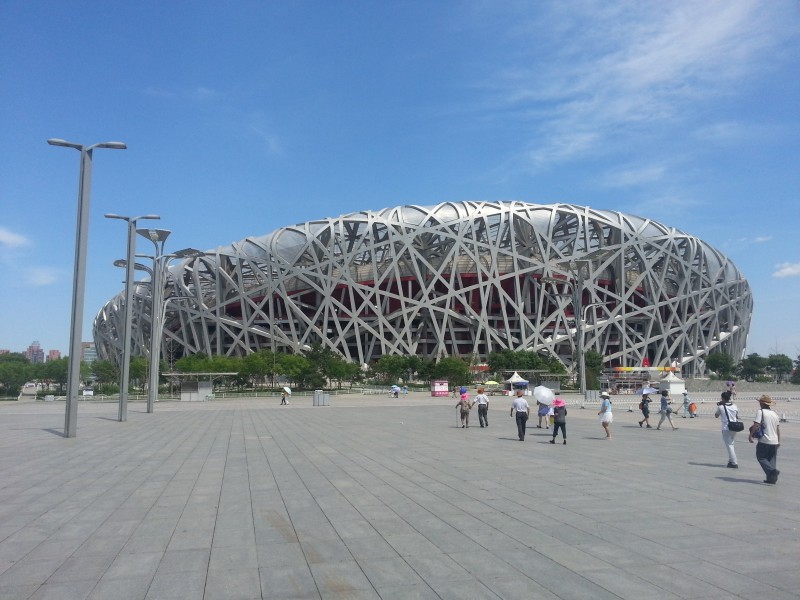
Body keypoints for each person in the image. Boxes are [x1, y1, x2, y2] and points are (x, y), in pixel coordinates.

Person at [749, 395, 781, 484]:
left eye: (760, 402)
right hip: (774, 441)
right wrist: (778, 441)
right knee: (772, 459)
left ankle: (772, 472)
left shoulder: (761, 412)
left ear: (762, 403)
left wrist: (750, 435)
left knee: (761, 457)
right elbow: (777, 429)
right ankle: (772, 479)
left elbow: (756, 424)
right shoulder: (774, 414)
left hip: (765, 440)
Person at [714, 390, 740, 468]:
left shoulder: (721, 407)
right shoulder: (734, 406)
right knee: (731, 443)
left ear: (722, 398)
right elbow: (736, 415)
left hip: (726, 428)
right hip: (734, 427)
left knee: (729, 445)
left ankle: (734, 462)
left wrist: (720, 405)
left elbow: (716, 415)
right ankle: (730, 461)